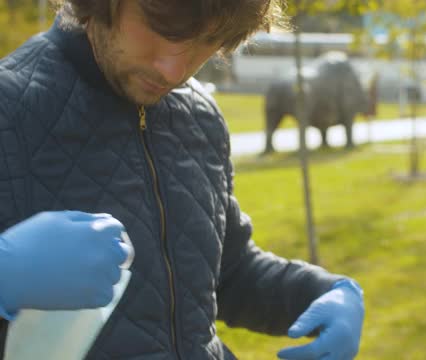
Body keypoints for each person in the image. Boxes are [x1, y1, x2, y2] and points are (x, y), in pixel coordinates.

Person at [0, 0, 364, 359]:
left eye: (207, 42)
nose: (174, 72)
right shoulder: (9, 108)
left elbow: (227, 272)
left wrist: (319, 291)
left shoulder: (200, 116)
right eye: (162, 30)